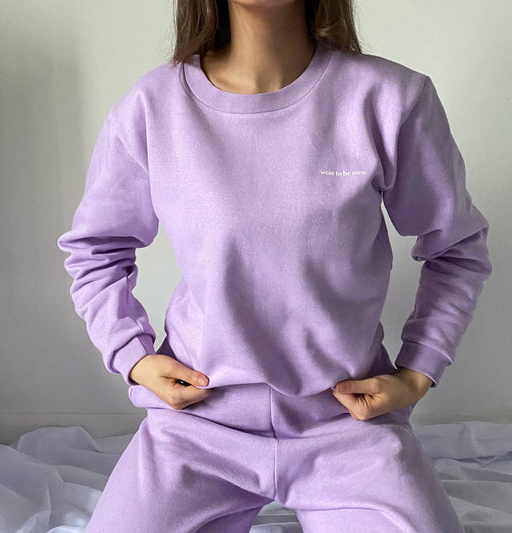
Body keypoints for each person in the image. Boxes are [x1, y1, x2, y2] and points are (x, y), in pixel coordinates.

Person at [57, 1, 492, 531]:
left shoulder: (390, 98)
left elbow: (456, 247)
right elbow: (96, 249)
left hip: (348, 425)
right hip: (196, 427)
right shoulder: (153, 107)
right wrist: (132, 356)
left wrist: (419, 372)